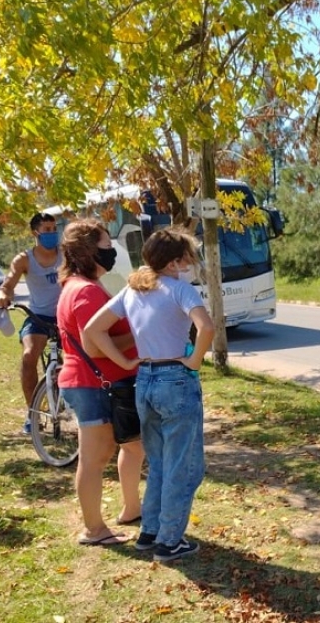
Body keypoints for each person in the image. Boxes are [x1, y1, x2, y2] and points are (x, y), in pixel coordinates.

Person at [84, 227, 214, 563]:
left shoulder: (133, 291)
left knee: (157, 462)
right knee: (184, 466)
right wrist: (194, 361)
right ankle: (170, 541)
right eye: (186, 258)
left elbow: (93, 330)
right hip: (176, 379)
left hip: (145, 380)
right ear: (174, 262)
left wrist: (125, 360)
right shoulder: (180, 290)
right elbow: (207, 327)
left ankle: (151, 532)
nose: (188, 264)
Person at [56, 219, 145, 546]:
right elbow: (93, 344)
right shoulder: (87, 291)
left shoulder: (77, 285)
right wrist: (137, 334)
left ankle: (132, 508)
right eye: (107, 246)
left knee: (132, 446)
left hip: (96, 381)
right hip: (94, 383)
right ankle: (94, 529)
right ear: (90, 251)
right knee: (95, 457)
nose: (112, 252)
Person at [0, 213, 63, 434]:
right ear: (35, 233)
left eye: (54, 228)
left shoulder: (67, 254)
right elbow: (9, 282)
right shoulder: (24, 258)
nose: (52, 233)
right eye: (47, 229)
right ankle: (33, 412)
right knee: (29, 356)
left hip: (66, 317)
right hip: (38, 317)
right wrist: (3, 294)